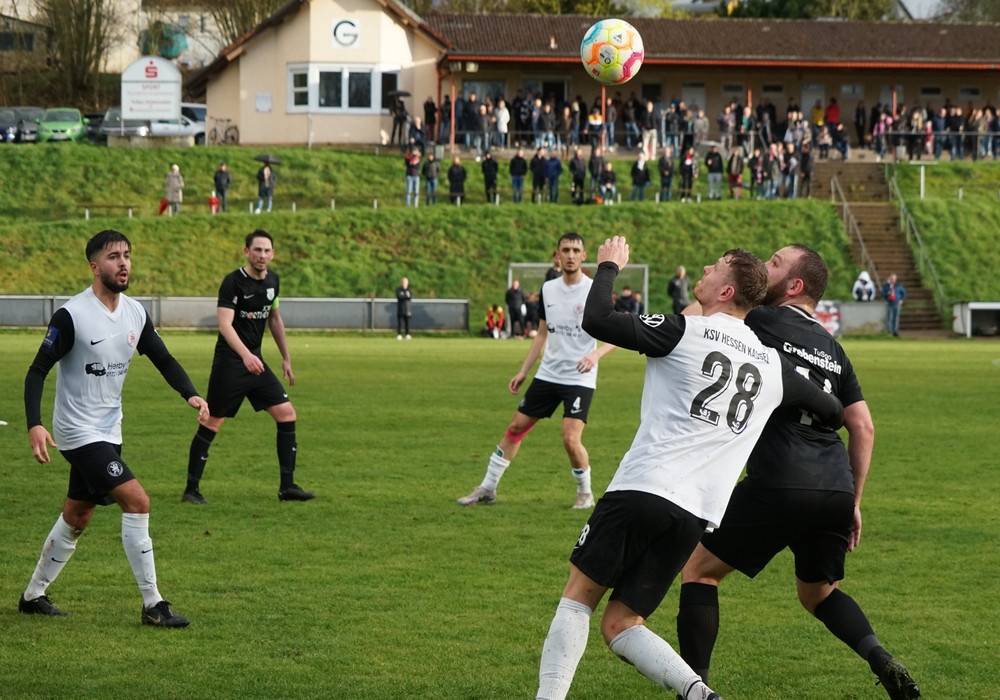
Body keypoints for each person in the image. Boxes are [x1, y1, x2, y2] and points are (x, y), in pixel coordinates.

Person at [536, 237, 845, 700]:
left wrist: (608, 266)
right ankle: (699, 693)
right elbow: (833, 410)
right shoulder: (772, 364)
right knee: (622, 622)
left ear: (726, 291)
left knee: (577, 600)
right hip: (696, 514)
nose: (704, 269)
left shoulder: (684, 330)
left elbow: (597, 319)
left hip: (642, 488)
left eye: (715, 267)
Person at [677, 244, 920, 700]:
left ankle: (695, 689)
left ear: (794, 285)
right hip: (835, 487)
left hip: (780, 479)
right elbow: (863, 427)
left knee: (699, 571)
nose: (762, 268)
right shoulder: (834, 349)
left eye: (773, 264)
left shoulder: (760, 319)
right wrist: (854, 501)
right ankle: (881, 659)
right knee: (819, 594)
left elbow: (698, 318)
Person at [21, 229, 208, 626]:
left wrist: (190, 393)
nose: (123, 263)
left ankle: (32, 595)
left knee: (78, 515)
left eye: (127, 255)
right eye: (113, 256)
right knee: (137, 501)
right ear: (94, 266)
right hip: (77, 432)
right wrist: (35, 425)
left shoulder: (135, 312)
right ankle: (153, 605)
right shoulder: (72, 315)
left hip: (110, 430)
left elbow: (163, 358)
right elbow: (37, 371)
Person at [457, 232, 616, 509]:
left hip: (579, 377)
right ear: (557, 255)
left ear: (583, 256)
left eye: (575, 250)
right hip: (548, 374)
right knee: (515, 428)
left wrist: (595, 354)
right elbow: (542, 334)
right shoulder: (548, 289)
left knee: (570, 438)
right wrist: (524, 371)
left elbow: (617, 334)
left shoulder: (594, 290)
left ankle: (585, 493)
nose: (570, 255)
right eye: (565, 250)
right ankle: (488, 488)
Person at [182, 230, 314, 505]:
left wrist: (286, 358)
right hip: (230, 363)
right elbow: (225, 325)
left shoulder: (273, 281)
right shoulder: (233, 282)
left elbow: (274, 319)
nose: (262, 255)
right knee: (212, 422)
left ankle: (287, 487)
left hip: (255, 361)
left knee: (287, 414)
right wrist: (244, 355)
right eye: (257, 250)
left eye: (267, 251)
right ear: (246, 252)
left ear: (272, 254)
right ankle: (191, 490)